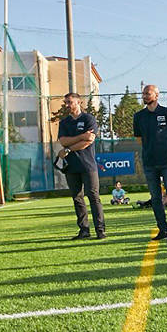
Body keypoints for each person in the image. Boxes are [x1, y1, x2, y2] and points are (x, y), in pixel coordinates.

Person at [133, 84, 167, 241]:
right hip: (149, 163)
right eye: (143, 93)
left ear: (156, 95)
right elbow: (139, 138)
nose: (144, 96)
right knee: (155, 197)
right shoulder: (139, 116)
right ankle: (162, 230)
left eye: (148, 93)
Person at [57, 92, 106, 240]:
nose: (67, 105)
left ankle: (100, 230)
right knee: (77, 198)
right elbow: (63, 141)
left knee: (93, 196)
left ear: (79, 102)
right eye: (66, 102)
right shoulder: (64, 122)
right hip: (71, 166)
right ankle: (84, 230)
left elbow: (89, 140)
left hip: (88, 165)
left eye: (70, 102)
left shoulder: (88, 119)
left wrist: (69, 149)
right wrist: (80, 136)